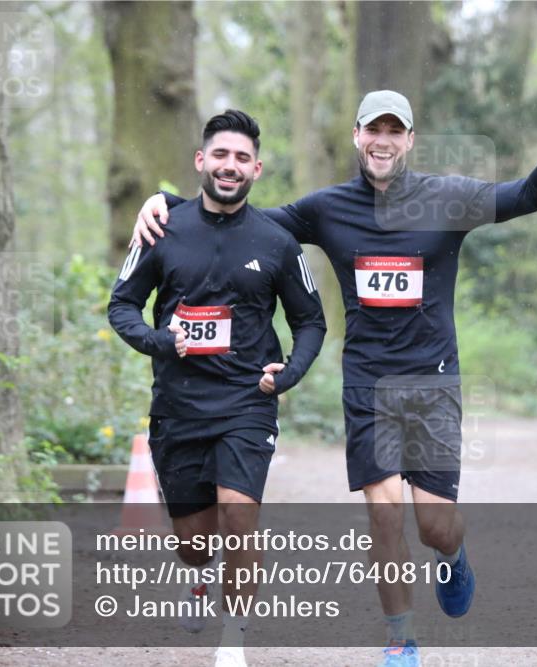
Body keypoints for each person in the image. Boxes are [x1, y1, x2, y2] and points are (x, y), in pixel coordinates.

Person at [131, 90, 537, 666]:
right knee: (384, 513)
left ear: (410, 140)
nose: (383, 141)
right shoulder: (329, 209)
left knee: (435, 526)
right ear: (357, 136)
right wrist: (168, 203)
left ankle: (452, 554)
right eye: (374, 130)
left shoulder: (447, 198)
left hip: (431, 384)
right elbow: (240, 220)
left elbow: (530, 194)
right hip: (367, 384)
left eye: (395, 131)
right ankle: (401, 641)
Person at [108, 109, 326, 667]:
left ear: (257, 169)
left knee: (239, 515)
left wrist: (289, 373)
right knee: (194, 544)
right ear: (201, 161)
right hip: (178, 406)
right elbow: (122, 305)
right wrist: (160, 340)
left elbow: (311, 321)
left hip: (248, 403)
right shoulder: (162, 228)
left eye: (242, 158)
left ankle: (233, 639)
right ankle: (199, 576)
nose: (231, 166)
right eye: (221, 155)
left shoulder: (277, 242)